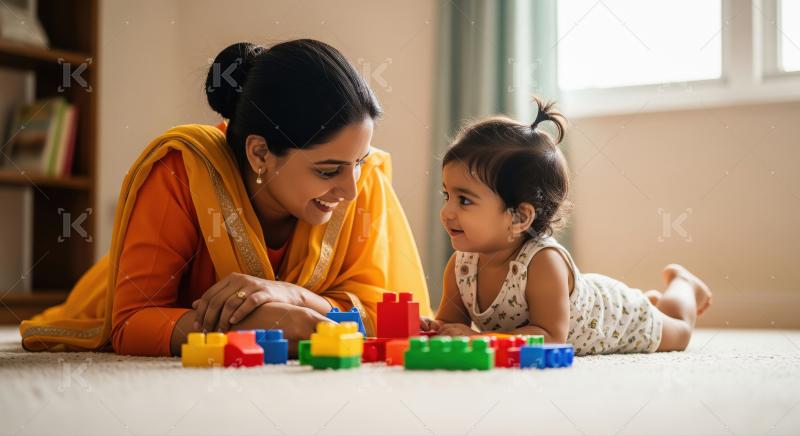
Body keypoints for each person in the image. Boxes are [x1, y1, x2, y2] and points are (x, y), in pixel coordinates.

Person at [20, 39, 431, 357]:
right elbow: (132, 322)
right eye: (327, 171)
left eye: (359, 161)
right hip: (110, 291)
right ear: (259, 153)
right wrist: (247, 325)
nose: (350, 189)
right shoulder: (182, 171)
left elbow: (388, 317)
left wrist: (295, 297)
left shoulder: (362, 180)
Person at [422, 97, 712, 355]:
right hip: (585, 301)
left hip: (613, 318)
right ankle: (653, 299)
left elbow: (550, 337)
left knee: (679, 332)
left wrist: (480, 340)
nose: (446, 212)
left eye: (465, 201)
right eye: (447, 195)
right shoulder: (461, 267)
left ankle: (683, 285)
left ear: (519, 218)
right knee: (658, 311)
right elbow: (451, 324)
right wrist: (432, 329)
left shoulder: (543, 262)